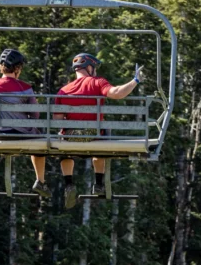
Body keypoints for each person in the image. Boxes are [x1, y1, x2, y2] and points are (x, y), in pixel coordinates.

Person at [53, 53, 144, 208]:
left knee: (64, 149)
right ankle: (99, 183)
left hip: (70, 138)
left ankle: (69, 183)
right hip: (92, 136)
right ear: (89, 67)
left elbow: (57, 121)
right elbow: (117, 93)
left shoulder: (63, 90)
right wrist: (135, 80)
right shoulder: (97, 82)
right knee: (102, 135)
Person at [0, 48, 50, 196]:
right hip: (23, 135)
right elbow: (35, 115)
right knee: (40, 143)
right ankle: (40, 181)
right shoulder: (25, 88)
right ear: (17, 68)